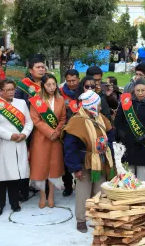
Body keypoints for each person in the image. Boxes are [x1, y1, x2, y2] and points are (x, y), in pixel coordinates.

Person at [63, 90, 113, 233]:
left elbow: (110, 134)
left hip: (101, 161)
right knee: (83, 192)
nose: (100, 108)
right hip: (83, 162)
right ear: (90, 106)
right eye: (98, 105)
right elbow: (70, 148)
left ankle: (100, 217)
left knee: (101, 191)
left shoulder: (101, 118)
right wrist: (75, 168)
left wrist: (108, 150)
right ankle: (81, 220)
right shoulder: (76, 122)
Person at [0, 79, 34, 216]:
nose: (11, 92)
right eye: (8, 90)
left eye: (13, 89)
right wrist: (10, 135)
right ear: (0, 91)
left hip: (19, 143)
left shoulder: (21, 103)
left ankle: (14, 203)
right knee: (0, 177)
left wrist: (24, 134)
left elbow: (29, 122)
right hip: (2, 145)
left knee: (15, 175)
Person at [29, 74, 66, 209]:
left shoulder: (60, 100)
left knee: (54, 166)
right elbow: (36, 120)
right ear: (43, 86)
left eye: (54, 84)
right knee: (41, 165)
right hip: (41, 138)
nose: (52, 87)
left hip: (56, 139)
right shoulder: (36, 101)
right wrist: (50, 132)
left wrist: (56, 132)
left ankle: (51, 195)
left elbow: (63, 119)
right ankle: (42, 195)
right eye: (48, 85)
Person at [115, 78, 145, 182]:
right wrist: (121, 133)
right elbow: (118, 121)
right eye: (138, 90)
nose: (140, 93)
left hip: (144, 148)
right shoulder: (127, 103)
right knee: (127, 180)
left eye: (143, 90)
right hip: (128, 147)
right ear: (133, 90)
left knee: (142, 181)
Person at [15, 58, 46, 201]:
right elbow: (17, 106)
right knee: (26, 157)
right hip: (28, 126)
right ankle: (24, 188)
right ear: (31, 70)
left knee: (42, 156)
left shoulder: (48, 82)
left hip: (45, 125)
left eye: (43, 66)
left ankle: (41, 185)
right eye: (38, 67)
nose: (41, 69)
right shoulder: (23, 86)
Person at [58, 69, 80, 197]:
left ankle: (80, 184)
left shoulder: (83, 91)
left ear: (78, 79)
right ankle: (67, 185)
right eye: (69, 81)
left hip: (81, 129)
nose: (71, 83)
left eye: (74, 80)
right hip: (65, 130)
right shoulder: (60, 93)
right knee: (66, 158)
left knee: (80, 158)